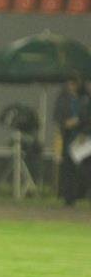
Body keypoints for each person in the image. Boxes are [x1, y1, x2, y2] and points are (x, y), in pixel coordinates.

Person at [53, 74, 91, 205]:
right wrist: (65, 124)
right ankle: (69, 199)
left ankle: (84, 194)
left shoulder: (85, 99)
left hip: (84, 139)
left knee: (85, 169)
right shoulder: (63, 100)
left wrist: (82, 127)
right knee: (68, 169)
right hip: (68, 138)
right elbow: (58, 117)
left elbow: (87, 118)